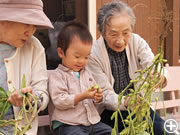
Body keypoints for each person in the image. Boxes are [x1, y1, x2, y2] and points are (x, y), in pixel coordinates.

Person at [87, 1, 170, 135]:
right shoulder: (94, 54)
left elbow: (152, 63)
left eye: (126, 33)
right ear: (102, 32)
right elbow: (105, 95)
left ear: (131, 29)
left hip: (138, 107)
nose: (120, 40)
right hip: (110, 113)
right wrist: (125, 101)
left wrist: (159, 76)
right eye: (113, 34)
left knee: (164, 130)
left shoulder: (137, 41)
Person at [48, 21, 112, 135]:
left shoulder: (87, 73)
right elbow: (59, 100)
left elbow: (94, 100)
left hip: (91, 122)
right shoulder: (57, 75)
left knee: (112, 132)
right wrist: (83, 96)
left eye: (86, 57)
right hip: (68, 124)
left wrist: (98, 98)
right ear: (61, 52)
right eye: (77, 56)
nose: (82, 61)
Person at [0, 0, 53, 135]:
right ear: (3, 19)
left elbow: (42, 92)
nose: (31, 31)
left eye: (34, 25)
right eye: (26, 23)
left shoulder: (35, 47)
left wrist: (31, 98)